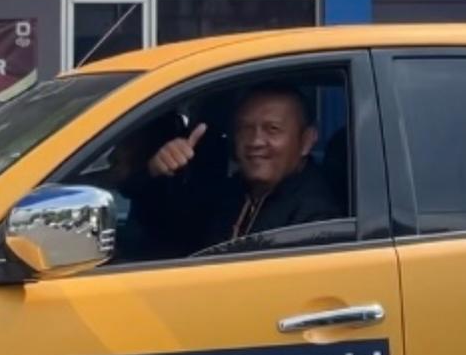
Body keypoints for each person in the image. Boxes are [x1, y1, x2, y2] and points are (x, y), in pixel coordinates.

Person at [132, 85, 342, 254]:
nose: (255, 141)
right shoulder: (232, 192)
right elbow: (167, 239)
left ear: (306, 141)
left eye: (272, 129)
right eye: (245, 129)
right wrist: (157, 172)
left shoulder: (316, 218)